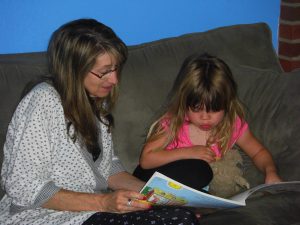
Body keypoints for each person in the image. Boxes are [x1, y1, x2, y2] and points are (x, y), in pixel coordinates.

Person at [0, 19, 200, 225]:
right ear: (73, 70)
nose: (114, 80)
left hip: (90, 212)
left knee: (180, 215)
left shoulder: (96, 102)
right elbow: (23, 186)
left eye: (116, 69)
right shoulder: (43, 100)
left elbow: (109, 170)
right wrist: (104, 202)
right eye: (104, 72)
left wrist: (159, 198)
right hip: (43, 216)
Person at [133, 53, 282, 192]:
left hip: (189, 191)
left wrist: (271, 172)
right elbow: (146, 161)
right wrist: (187, 153)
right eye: (197, 109)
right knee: (201, 170)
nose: (205, 117)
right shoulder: (173, 123)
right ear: (184, 103)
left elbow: (258, 152)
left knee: (204, 175)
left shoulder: (232, 125)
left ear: (227, 104)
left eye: (215, 110)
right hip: (151, 179)